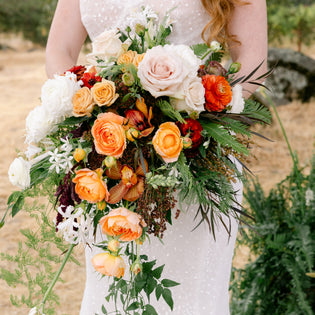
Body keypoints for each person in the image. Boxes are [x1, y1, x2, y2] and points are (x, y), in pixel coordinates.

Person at [46, 1, 267, 314]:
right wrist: (93, 105)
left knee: (191, 300)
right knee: (111, 292)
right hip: (108, 165)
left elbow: (253, 62)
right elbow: (60, 49)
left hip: (197, 162)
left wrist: (196, 108)